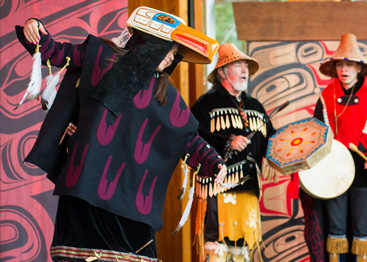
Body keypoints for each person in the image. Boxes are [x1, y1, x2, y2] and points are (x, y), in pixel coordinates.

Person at [16, 7, 226, 261]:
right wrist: (34, 26)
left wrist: (215, 163)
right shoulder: (99, 56)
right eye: (169, 50)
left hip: (133, 202)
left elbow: (188, 139)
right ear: (150, 43)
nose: (172, 58)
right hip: (86, 187)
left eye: (175, 55)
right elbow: (55, 52)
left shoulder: (166, 96)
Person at [300, 33, 367, 262]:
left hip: (363, 176)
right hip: (333, 177)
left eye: (349, 64)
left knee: (362, 232)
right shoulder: (326, 96)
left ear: (359, 67)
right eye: (339, 64)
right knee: (335, 230)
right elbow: (316, 136)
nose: (344, 69)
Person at [190, 43, 274, 262]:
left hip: (247, 187)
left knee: (241, 249)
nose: (244, 70)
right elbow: (192, 139)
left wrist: (291, 152)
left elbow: (271, 141)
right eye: (238, 65)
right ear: (221, 71)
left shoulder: (255, 105)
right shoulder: (205, 104)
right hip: (217, 188)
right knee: (217, 248)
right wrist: (227, 141)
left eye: (246, 65)